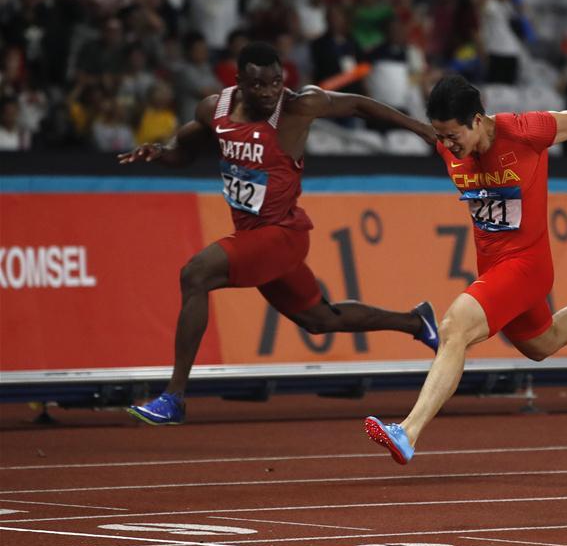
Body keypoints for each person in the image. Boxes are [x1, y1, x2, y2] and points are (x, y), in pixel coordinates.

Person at [364, 74, 567, 465]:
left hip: (527, 265)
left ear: (478, 120)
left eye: (453, 136)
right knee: (542, 344)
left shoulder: (525, 131)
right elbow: (419, 130)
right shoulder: (448, 146)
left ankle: (408, 431)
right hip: (493, 266)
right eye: (441, 137)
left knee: (454, 328)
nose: (447, 146)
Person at [118, 42, 440, 425]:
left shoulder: (298, 107)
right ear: (238, 83)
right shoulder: (213, 110)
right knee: (321, 320)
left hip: (283, 235)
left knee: (195, 274)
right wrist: (158, 152)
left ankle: (174, 397)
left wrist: (421, 129)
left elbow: (358, 104)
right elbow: (183, 151)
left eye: (275, 82)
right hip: (257, 239)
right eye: (258, 85)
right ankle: (416, 321)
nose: (270, 92)